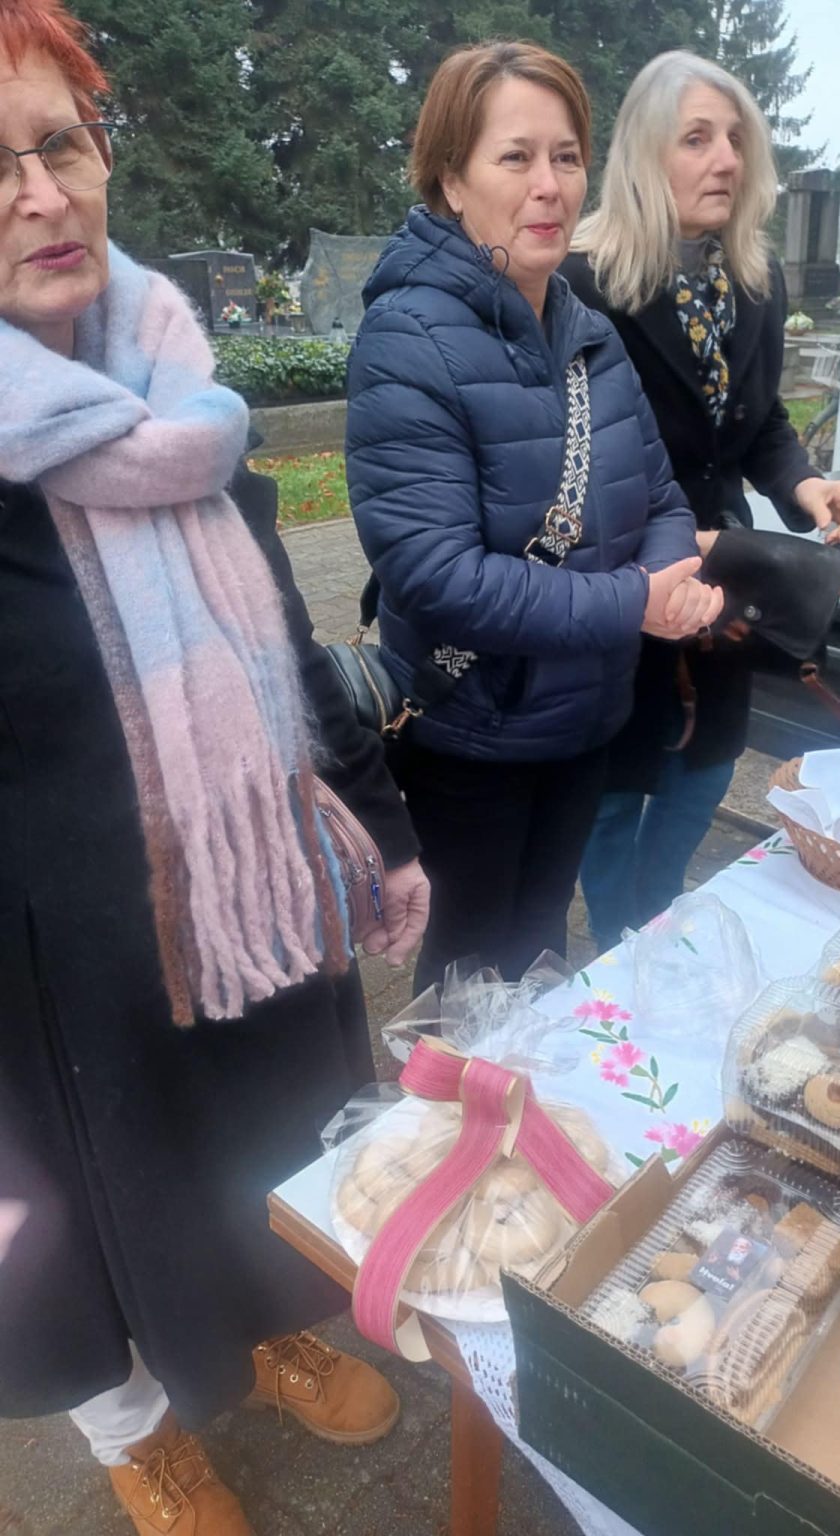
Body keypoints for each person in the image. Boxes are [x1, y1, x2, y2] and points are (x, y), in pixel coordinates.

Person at [0, 4, 431, 1531]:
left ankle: (260, 1337)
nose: (40, 194)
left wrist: (379, 825)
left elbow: (290, 643)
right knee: (70, 1233)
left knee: (261, 1144)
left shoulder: (185, 396)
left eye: (59, 142)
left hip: (240, 896)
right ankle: (136, 1436)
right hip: (46, 973)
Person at [346, 41, 722, 995]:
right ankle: (443, 1098)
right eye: (515, 157)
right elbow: (436, 574)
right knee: (468, 978)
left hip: (584, 722)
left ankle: (518, 1092)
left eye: (566, 157)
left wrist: (669, 583)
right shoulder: (407, 339)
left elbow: (662, 496)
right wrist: (633, 604)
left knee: (543, 952)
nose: (549, 185)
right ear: (451, 180)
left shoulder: (587, 333)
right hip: (474, 734)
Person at [565, 52, 840, 951]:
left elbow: (759, 422)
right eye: (697, 138)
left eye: (735, 138)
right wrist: (656, 544)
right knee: (614, 788)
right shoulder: (581, 284)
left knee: (704, 769)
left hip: (726, 573)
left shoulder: (753, 281)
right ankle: (617, 938)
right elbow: (561, 458)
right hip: (622, 575)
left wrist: (805, 483)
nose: (727, 159)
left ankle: (658, 919)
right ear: (646, 154)